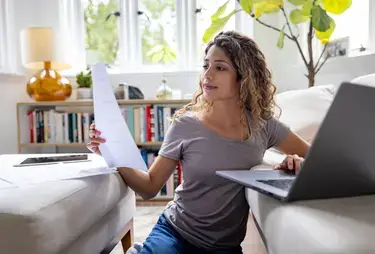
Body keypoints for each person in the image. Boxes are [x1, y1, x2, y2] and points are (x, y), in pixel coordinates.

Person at [87, 30, 310, 254]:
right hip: (175, 232)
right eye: (206, 66)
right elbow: (150, 186)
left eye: (220, 67)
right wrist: (111, 151)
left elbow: (316, 157)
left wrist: (291, 164)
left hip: (223, 247)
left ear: (244, 77)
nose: (208, 75)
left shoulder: (264, 125)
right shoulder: (186, 124)